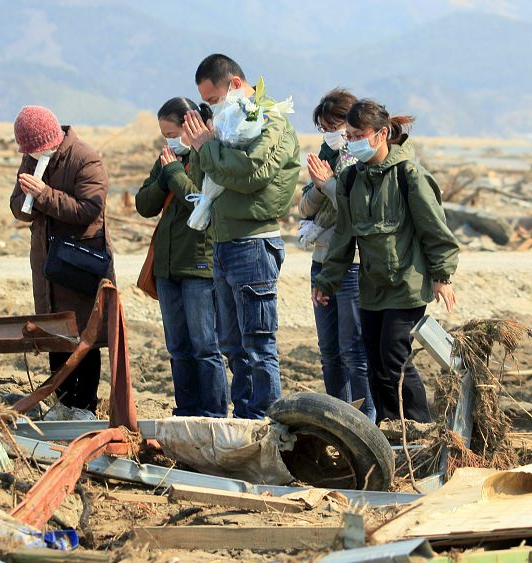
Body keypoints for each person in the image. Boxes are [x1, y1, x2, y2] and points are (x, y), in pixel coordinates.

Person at [312, 99, 459, 424]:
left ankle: (418, 428)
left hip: (407, 284)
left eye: (357, 134)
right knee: (376, 362)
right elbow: (344, 238)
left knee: (394, 357)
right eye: (348, 135)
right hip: (372, 287)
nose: (352, 142)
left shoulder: (409, 176)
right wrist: (327, 281)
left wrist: (442, 275)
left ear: (381, 133)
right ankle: (388, 431)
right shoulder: (351, 180)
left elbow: (435, 230)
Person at [183, 54, 301, 419]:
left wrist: (209, 147)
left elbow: (251, 173)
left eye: (214, 99)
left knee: (258, 343)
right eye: (207, 103)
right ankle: (245, 414)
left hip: (253, 242)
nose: (212, 107)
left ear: (234, 84)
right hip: (223, 240)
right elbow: (204, 176)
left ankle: (266, 418)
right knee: (232, 343)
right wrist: (205, 146)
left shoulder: (271, 122)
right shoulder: (226, 123)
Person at [9, 105, 113, 414]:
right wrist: (27, 202)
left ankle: (85, 403)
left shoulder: (85, 159)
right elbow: (17, 205)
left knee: (85, 335)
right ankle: (63, 400)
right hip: (47, 262)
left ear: (52, 138)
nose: (32, 155)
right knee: (55, 331)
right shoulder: (31, 159)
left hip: (78, 263)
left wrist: (43, 195)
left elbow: (88, 210)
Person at [135, 97, 228, 418]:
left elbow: (202, 203)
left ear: (191, 126)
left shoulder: (212, 155)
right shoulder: (168, 159)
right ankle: (186, 411)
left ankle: (213, 414)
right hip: (168, 264)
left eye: (173, 132)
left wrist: (173, 172)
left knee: (205, 345)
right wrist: (165, 174)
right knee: (177, 346)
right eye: (164, 135)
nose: (170, 140)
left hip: (199, 264)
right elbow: (144, 205)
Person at [298, 89, 375, 421]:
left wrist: (328, 186)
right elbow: (303, 207)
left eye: (337, 125)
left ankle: (366, 420)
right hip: (322, 262)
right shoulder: (327, 155)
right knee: (328, 351)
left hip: (352, 265)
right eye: (325, 127)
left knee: (354, 350)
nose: (332, 133)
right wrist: (319, 186)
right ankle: (339, 418)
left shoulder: (362, 160)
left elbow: (354, 209)